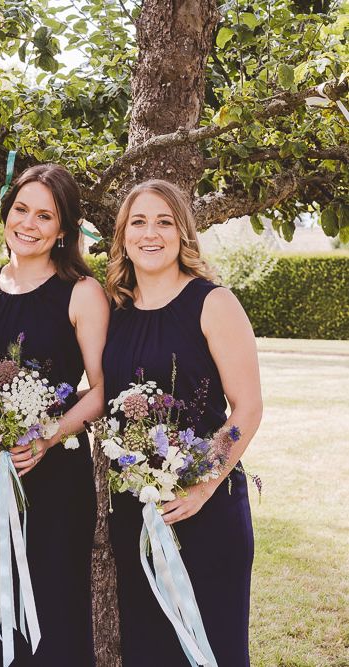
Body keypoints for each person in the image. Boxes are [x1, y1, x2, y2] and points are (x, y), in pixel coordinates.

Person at [102, 179, 262, 665]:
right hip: (137, 511)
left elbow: (248, 407)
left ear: (183, 234)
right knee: (148, 649)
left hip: (207, 509)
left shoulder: (213, 302)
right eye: (139, 222)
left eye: (164, 222)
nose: (151, 233)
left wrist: (202, 485)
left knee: (211, 646)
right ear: (124, 236)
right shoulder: (116, 311)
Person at [0, 164, 108, 666]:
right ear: (6, 213)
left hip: (56, 476)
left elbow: (101, 388)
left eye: (44, 215)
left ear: (64, 230)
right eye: (21, 210)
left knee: (54, 605)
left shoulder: (81, 292)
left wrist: (48, 435)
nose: (28, 223)